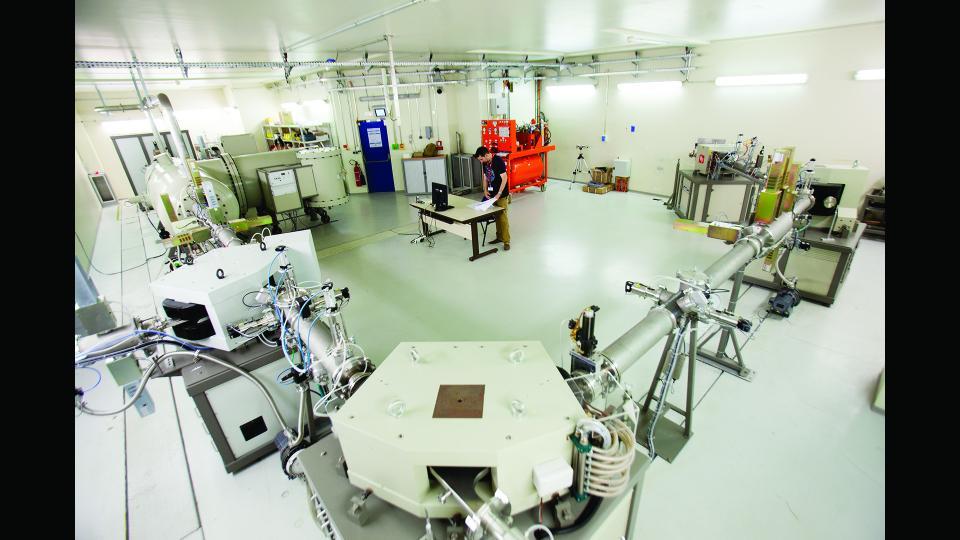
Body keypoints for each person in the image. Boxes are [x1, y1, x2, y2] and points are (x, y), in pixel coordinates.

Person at [474, 146, 510, 251]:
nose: (481, 162)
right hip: (491, 195)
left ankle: (506, 241)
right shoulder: (485, 163)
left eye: (481, 159)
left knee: (502, 218)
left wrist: (499, 193)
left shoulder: (498, 161)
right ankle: (499, 237)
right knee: (496, 216)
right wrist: (485, 190)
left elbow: (504, 178)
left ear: (486, 155)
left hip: (501, 195)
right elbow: (485, 176)